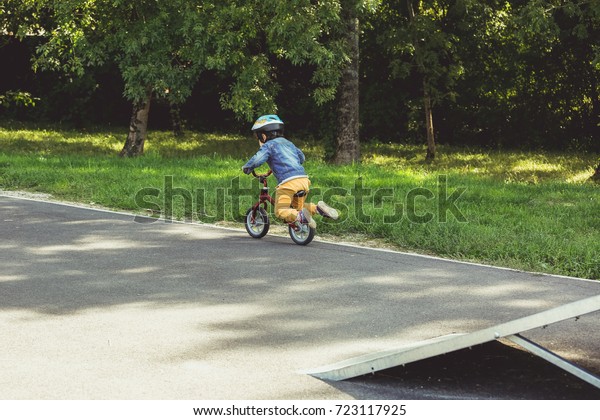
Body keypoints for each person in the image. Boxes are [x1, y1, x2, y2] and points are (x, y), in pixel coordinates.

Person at [242, 114, 338, 228]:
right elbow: (301, 157)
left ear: (263, 136)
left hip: (288, 183)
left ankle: (300, 217)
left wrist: (247, 168)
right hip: (303, 180)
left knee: (281, 210)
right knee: (297, 208)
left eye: (258, 137)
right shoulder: (289, 143)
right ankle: (317, 208)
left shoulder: (268, 145)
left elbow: (257, 159)